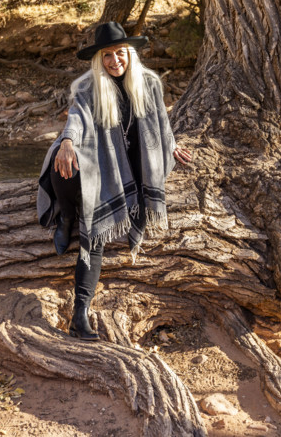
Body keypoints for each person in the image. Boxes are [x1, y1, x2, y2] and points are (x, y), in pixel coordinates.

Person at [36, 22, 191, 341]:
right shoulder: (87, 87)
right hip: (98, 159)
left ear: (130, 54)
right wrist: (67, 142)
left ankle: (80, 313)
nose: (114, 60)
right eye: (107, 55)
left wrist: (172, 145)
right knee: (63, 163)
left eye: (120, 53)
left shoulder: (148, 83)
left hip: (130, 170)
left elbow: (161, 123)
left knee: (96, 231)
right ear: (99, 59)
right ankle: (67, 218)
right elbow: (76, 119)